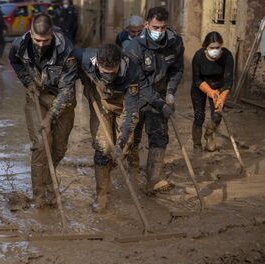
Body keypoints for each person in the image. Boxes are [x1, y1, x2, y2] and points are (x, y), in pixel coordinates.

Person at [9, 14, 77, 208]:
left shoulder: (66, 49)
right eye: (37, 40)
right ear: (31, 33)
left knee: (58, 148)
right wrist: (27, 81)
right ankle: (39, 195)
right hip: (36, 95)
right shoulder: (19, 45)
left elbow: (67, 89)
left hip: (62, 99)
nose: (40, 44)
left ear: (52, 34)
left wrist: (50, 117)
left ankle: (48, 182)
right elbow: (14, 61)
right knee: (40, 144)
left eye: (45, 40)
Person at [74, 44, 140, 212]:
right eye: (104, 72)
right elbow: (68, 57)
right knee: (102, 149)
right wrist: (83, 79)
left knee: (124, 147)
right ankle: (101, 195)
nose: (108, 77)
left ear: (119, 64)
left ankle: (108, 170)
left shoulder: (133, 70)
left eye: (112, 72)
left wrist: (121, 141)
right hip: (100, 104)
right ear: (97, 64)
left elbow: (131, 111)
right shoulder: (85, 57)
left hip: (123, 106)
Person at [126, 6, 184, 194]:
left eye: (163, 28)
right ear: (146, 24)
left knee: (159, 137)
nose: (159, 32)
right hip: (136, 96)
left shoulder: (174, 42)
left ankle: (153, 180)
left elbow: (177, 69)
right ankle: (132, 171)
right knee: (131, 138)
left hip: (159, 93)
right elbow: (139, 83)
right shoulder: (134, 48)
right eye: (155, 27)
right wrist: (160, 103)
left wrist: (171, 92)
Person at [191, 31, 234, 152]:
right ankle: (197, 145)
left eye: (218, 47)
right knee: (199, 116)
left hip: (219, 87)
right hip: (200, 86)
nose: (215, 50)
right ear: (206, 47)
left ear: (222, 46)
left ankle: (209, 135)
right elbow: (196, 79)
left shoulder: (227, 56)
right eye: (212, 48)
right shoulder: (198, 56)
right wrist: (210, 92)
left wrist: (222, 96)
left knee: (217, 114)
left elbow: (229, 81)